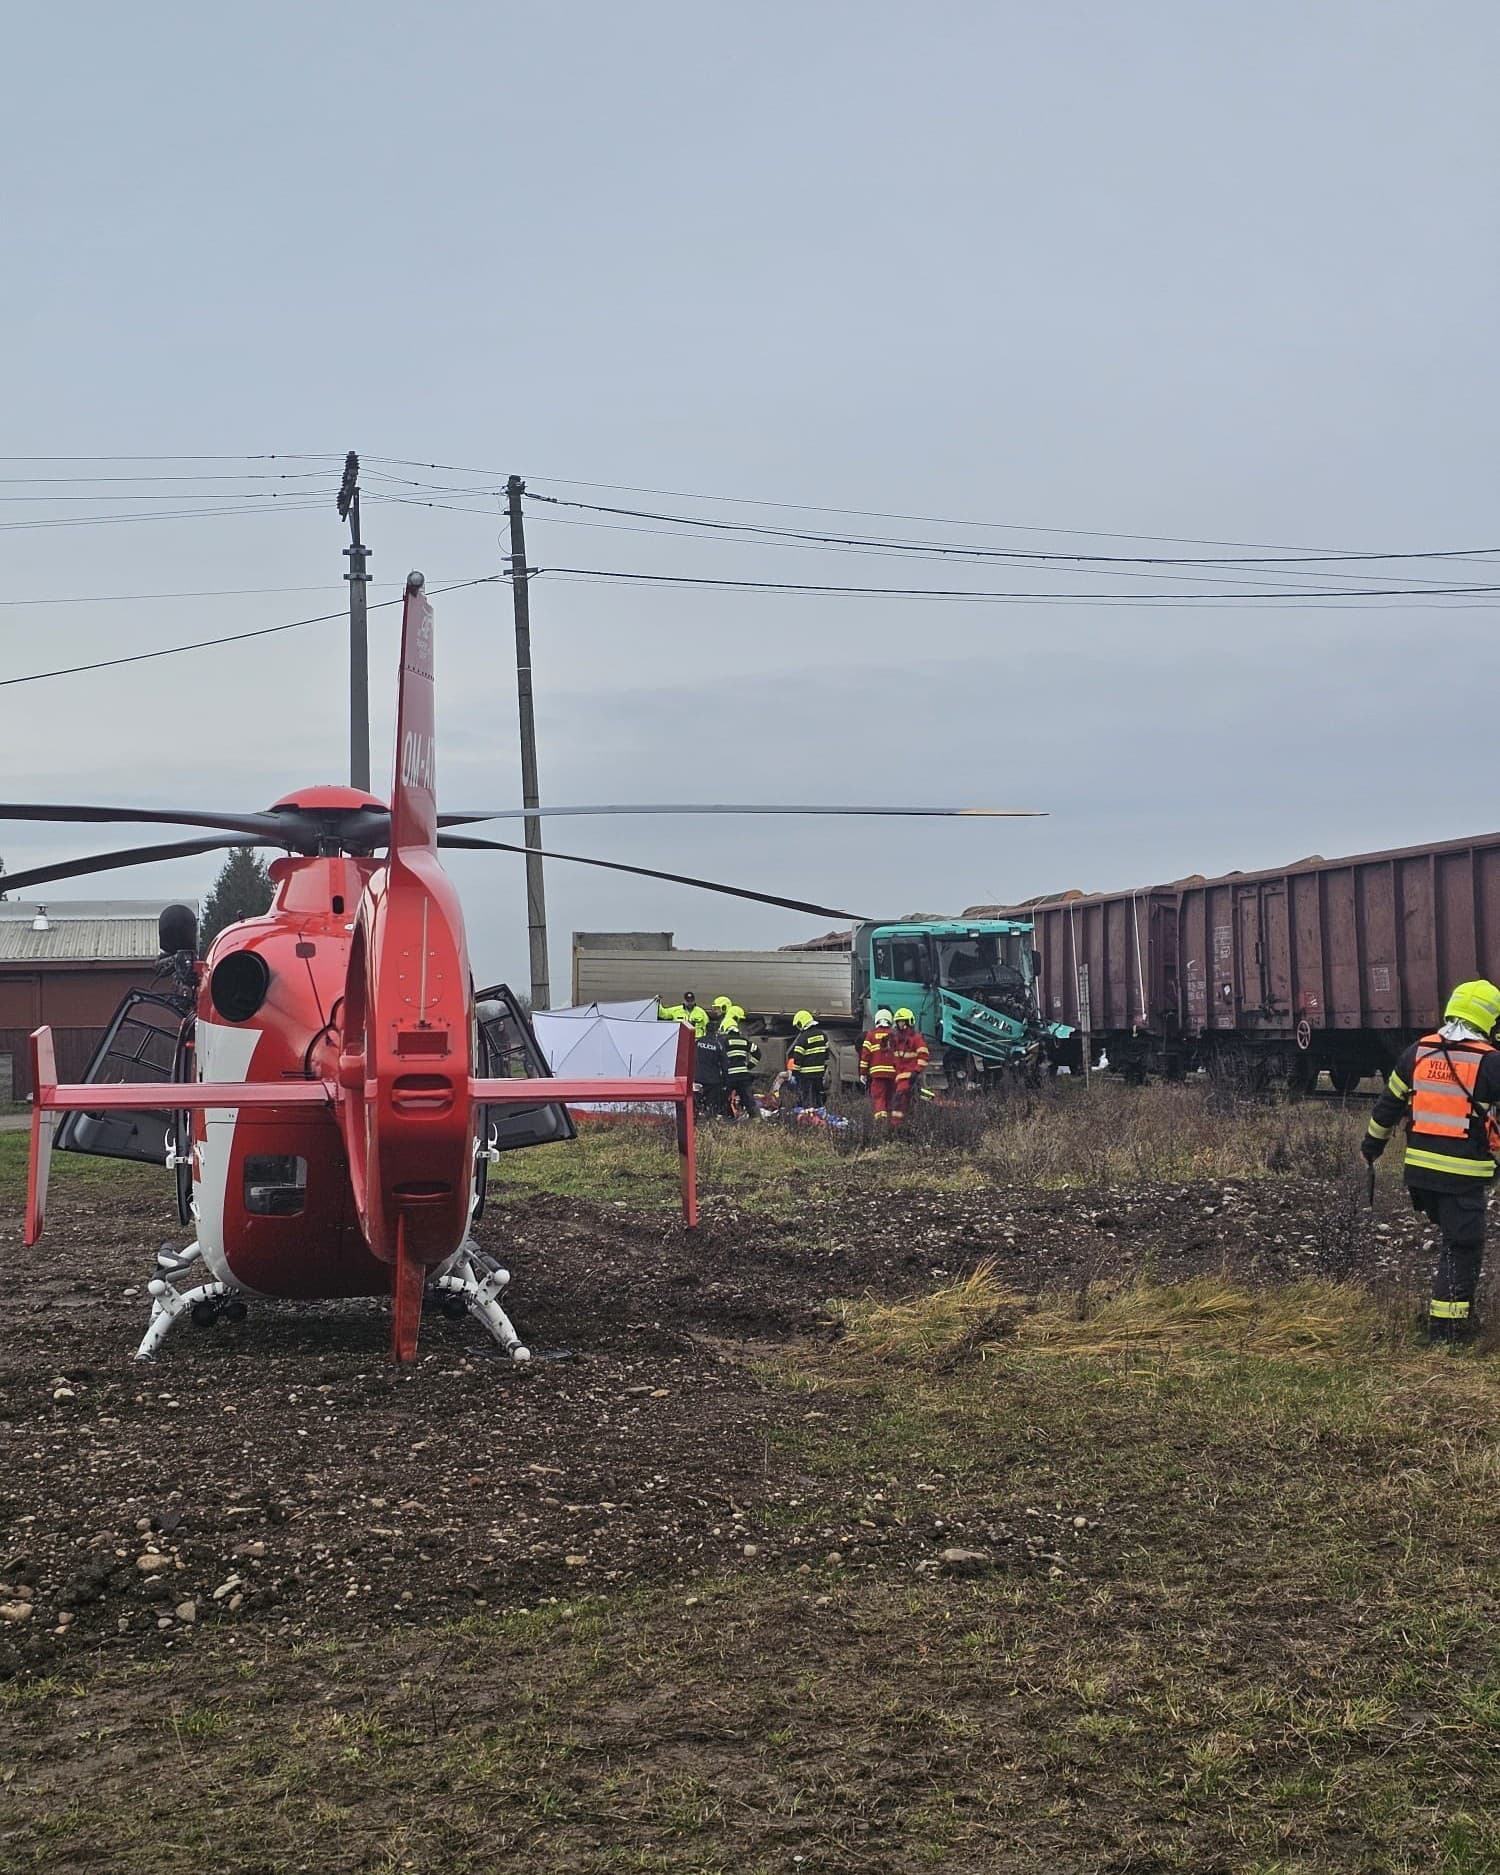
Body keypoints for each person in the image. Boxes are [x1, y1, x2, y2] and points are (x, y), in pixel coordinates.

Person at [1363, 979, 1500, 1343]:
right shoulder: (1489, 1061)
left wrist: (1371, 1148)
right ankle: (1448, 1330)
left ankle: (1447, 1322)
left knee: (1452, 1243)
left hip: (1420, 1177)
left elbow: (1387, 1107)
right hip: (1462, 1177)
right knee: (1463, 1246)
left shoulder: (1417, 1052)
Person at [889, 1007, 931, 1125]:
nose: (900, 1025)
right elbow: (894, 1058)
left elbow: (924, 1056)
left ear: (909, 1022)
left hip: (909, 1077)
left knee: (898, 1100)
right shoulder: (897, 1040)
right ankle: (909, 1125)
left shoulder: (916, 1039)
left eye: (902, 1022)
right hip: (899, 1077)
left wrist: (916, 1071)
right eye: (898, 1022)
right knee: (908, 1102)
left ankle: (895, 1126)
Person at [719, 1010, 761, 1120]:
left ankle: (728, 1118)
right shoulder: (743, 1041)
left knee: (725, 1097)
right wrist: (749, 1066)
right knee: (747, 1098)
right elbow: (757, 1053)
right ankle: (755, 1118)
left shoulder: (724, 1041)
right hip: (743, 1075)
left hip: (730, 1075)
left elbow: (719, 1056)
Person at [859, 1007, 898, 1122]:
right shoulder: (895, 1036)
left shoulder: (871, 1036)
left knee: (879, 1097)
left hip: (877, 1074)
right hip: (893, 1074)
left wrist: (863, 1073)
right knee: (891, 1096)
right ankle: (892, 1121)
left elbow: (865, 1055)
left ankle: (881, 1122)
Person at [787, 1009, 831, 1109]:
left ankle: (808, 1116)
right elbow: (826, 1054)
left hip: (806, 1075)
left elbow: (797, 1058)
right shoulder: (823, 1035)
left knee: (807, 1098)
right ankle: (819, 1114)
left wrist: (794, 1075)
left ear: (801, 1022)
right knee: (818, 1096)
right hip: (819, 1073)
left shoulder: (803, 1038)